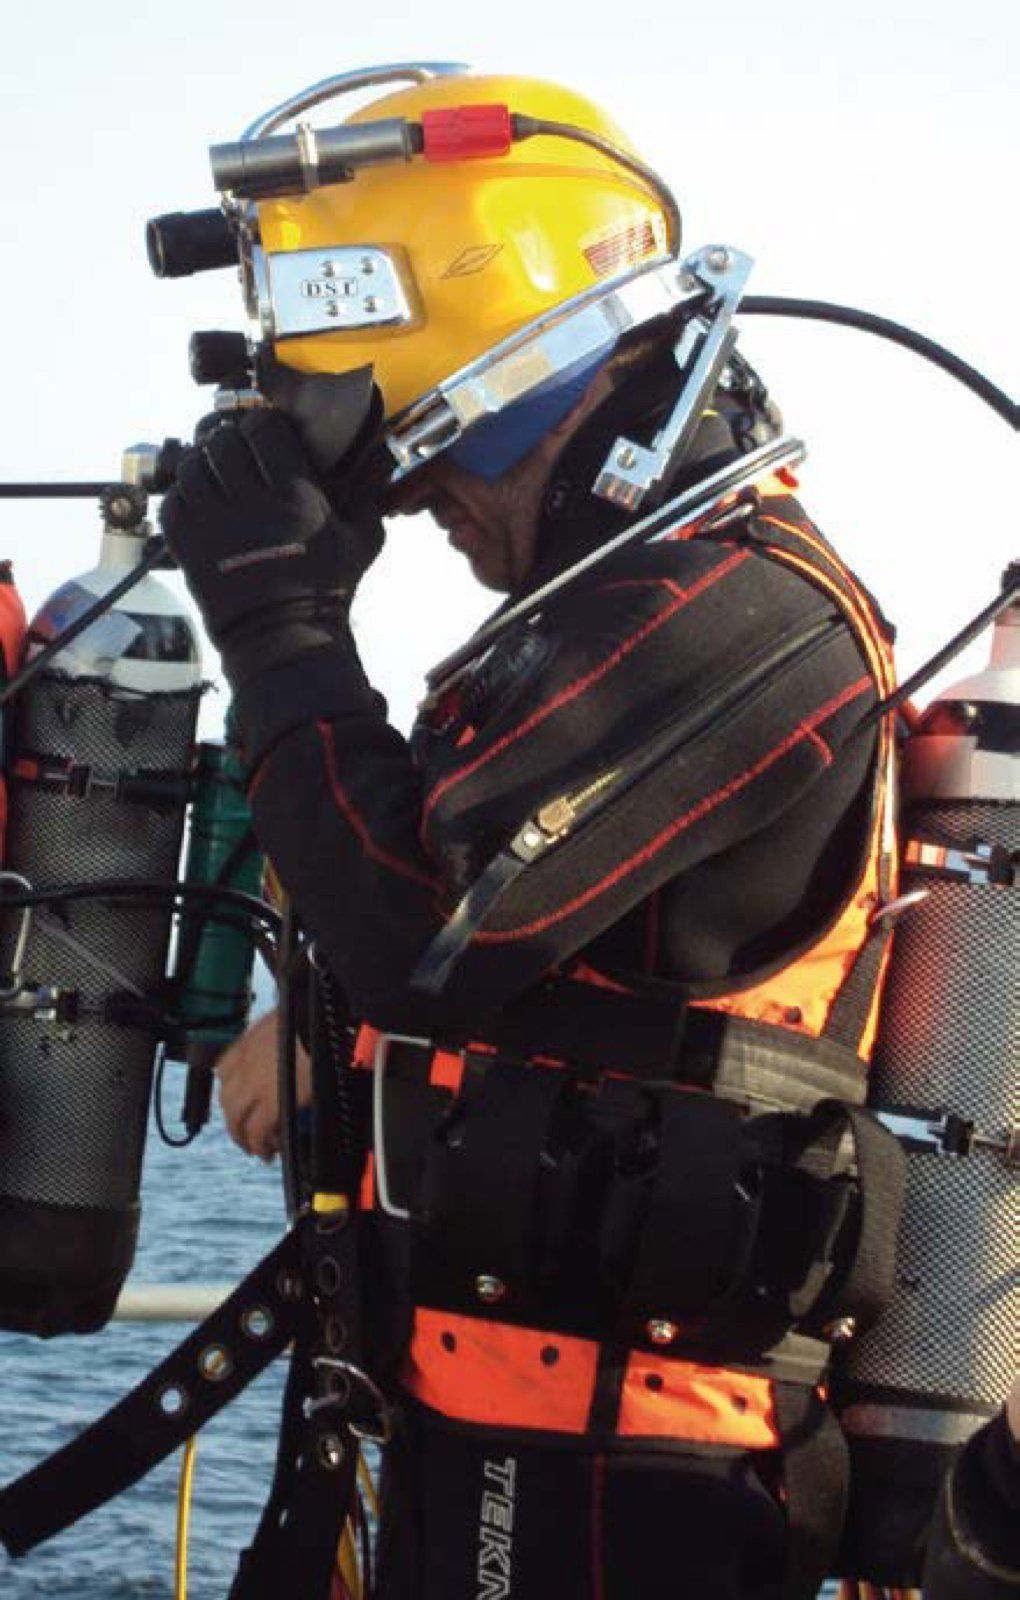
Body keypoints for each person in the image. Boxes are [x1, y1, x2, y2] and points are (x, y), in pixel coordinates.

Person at [163, 68, 904, 1600]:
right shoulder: (591, 627)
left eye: (431, 459)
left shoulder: (742, 615)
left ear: (522, 376)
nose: (424, 501)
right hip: (460, 1429)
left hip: (629, 1497)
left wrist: (281, 617)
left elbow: (420, 943)